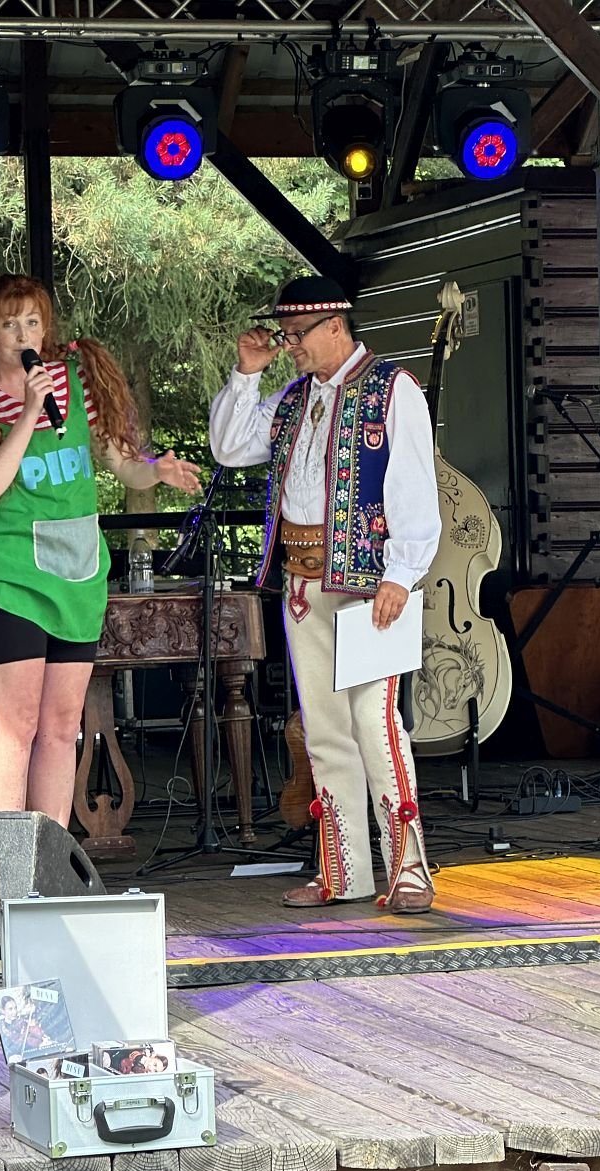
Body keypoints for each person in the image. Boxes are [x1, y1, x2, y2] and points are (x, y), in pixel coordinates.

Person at [209, 276, 442, 913]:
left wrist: (401, 574)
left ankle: (409, 868)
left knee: (376, 725)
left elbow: (414, 485)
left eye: (296, 335)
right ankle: (345, 872)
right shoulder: (292, 398)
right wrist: (246, 373)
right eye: (284, 335)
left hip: (371, 585)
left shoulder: (392, 388)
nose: (288, 345)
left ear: (335, 324)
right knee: (324, 731)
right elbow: (230, 447)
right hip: (302, 584)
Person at [0, 273, 202, 821]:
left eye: (33, 322)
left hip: (76, 570)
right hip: (9, 573)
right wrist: (29, 412)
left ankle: (50, 853)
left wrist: (158, 471)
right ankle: (11, 854)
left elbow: (121, 463)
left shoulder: (75, 380)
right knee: (19, 722)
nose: (23, 334)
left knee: (61, 726)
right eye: (10, 323)